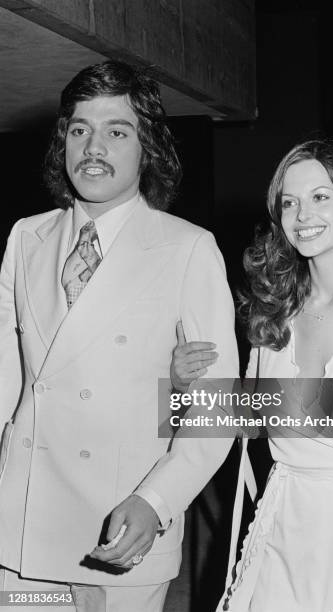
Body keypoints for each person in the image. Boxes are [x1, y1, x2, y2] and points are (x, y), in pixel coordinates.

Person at [0, 60, 239, 612]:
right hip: (21, 529)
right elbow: (7, 375)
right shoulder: (25, 237)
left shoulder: (188, 248)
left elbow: (217, 408)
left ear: (146, 147)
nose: (94, 147)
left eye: (117, 131)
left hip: (118, 532)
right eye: (80, 130)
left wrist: (158, 502)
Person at [171, 140, 333, 611]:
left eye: (320, 197)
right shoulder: (275, 313)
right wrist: (184, 390)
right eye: (289, 202)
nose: (302, 214)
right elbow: (251, 419)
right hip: (284, 519)